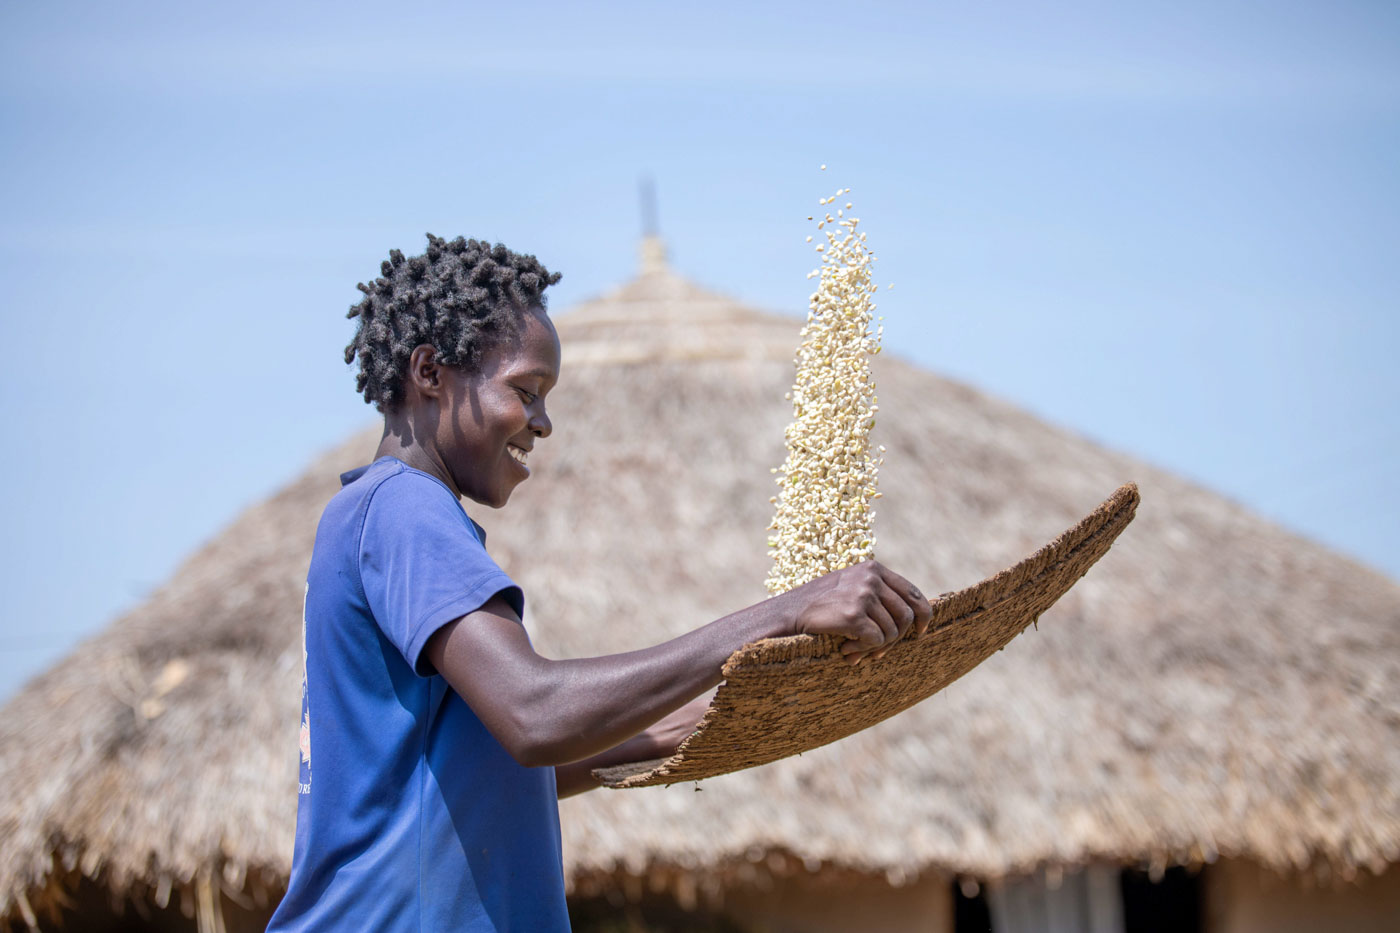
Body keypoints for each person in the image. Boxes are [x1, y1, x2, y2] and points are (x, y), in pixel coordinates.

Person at [266, 235, 933, 932]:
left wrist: (726, 721)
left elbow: (503, 775)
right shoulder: (405, 510)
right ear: (430, 371)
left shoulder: (376, 517)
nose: (544, 423)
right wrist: (786, 612)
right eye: (525, 391)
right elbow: (534, 715)